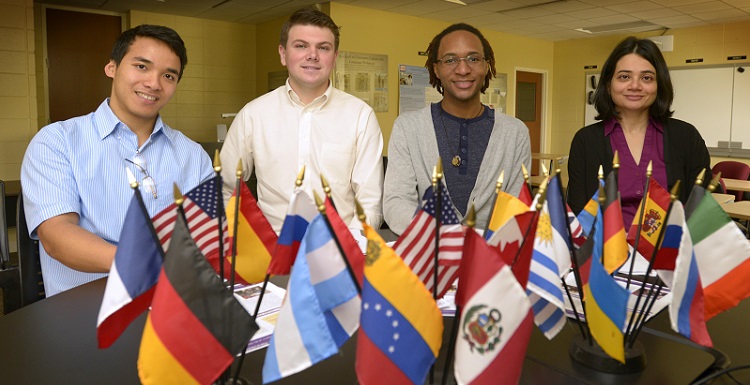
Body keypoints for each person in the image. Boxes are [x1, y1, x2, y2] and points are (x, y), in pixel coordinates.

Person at [21, 25, 214, 296]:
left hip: (173, 304)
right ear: (112, 67)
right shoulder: (57, 141)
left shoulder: (193, 156)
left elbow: (207, 236)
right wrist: (145, 265)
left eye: (168, 75)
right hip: (87, 311)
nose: (153, 83)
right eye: (142, 66)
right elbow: (56, 236)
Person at [220, 8, 384, 231]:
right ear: (283, 54)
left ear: (334, 57)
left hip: (339, 251)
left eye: (323, 48)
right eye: (301, 45)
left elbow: (370, 201)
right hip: (271, 252)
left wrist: (348, 251)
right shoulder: (253, 115)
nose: (312, 55)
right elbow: (226, 188)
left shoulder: (360, 116)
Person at [383, 23, 531, 235]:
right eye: (450, 60)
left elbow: (517, 208)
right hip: (428, 255)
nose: (463, 69)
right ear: (436, 69)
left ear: (486, 66)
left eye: (473, 59)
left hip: (492, 259)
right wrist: (443, 238)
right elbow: (396, 202)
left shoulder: (515, 133)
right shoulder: (408, 128)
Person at [567, 36, 710, 228]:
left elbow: (700, 211)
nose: (635, 86)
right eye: (624, 76)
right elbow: (579, 212)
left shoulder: (686, 137)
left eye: (646, 78)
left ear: (659, 85)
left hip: (671, 252)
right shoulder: (585, 141)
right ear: (609, 85)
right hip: (605, 253)